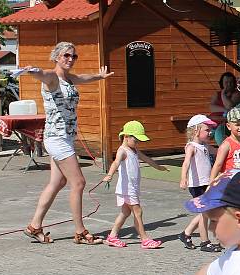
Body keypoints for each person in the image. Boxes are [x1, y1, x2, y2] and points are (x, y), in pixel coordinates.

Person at [21, 41, 112, 245]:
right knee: (78, 182)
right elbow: (42, 74)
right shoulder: (52, 78)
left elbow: (83, 78)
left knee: (58, 182)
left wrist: (100, 76)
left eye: (73, 56)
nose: (70, 59)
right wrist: (33, 71)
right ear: (56, 57)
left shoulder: (70, 78)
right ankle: (80, 231)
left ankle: (34, 226)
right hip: (57, 139)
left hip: (66, 138)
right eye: (66, 56)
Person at [102, 121, 168, 249]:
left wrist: (159, 167)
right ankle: (144, 239)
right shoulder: (123, 151)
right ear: (126, 136)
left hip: (131, 188)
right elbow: (115, 163)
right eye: (136, 140)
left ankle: (112, 236)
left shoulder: (134, 150)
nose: (137, 143)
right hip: (128, 188)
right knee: (138, 212)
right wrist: (109, 175)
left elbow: (147, 159)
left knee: (125, 213)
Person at [178, 114, 221, 252]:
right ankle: (204, 242)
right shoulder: (191, 147)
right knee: (204, 212)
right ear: (196, 130)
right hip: (196, 185)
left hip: (206, 183)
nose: (210, 133)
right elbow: (185, 164)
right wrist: (183, 178)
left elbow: (219, 152)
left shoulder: (205, 146)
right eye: (207, 130)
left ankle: (186, 234)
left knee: (206, 211)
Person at [210, 107, 240, 180]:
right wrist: (210, 184)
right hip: (229, 183)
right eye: (237, 125)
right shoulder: (226, 145)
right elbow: (218, 165)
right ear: (229, 126)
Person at [209, 72, 240, 145]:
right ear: (222, 83)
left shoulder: (237, 94)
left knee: (219, 132)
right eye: (226, 82)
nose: (229, 84)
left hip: (227, 123)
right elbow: (212, 107)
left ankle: (225, 152)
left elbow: (229, 106)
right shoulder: (217, 94)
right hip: (214, 122)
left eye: (231, 82)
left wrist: (223, 94)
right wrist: (224, 110)